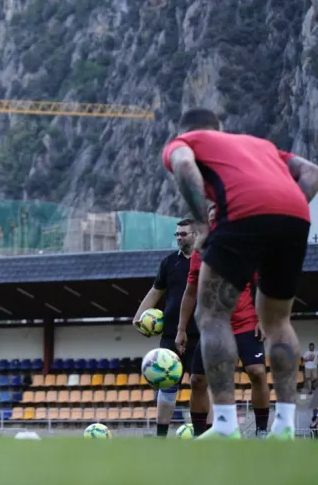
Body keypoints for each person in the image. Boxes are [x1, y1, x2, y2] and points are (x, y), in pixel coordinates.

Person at [162, 108, 318, 439]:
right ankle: (285, 425)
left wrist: (203, 222)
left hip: (242, 214)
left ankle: (224, 425)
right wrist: (285, 211)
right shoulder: (260, 144)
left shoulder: (185, 141)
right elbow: (312, 172)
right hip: (294, 215)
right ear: (221, 128)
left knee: (212, 315)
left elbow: (185, 166)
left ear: (186, 130)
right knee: (278, 321)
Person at [178, 247, 271, 437]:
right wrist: (180, 329)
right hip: (213, 327)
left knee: (257, 372)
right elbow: (190, 292)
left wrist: (262, 318)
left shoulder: (243, 246)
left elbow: (262, 284)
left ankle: (261, 431)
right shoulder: (199, 253)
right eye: (210, 216)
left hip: (244, 323)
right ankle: (199, 434)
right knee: (197, 381)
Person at [131, 219, 206, 437]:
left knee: (200, 385)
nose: (179, 238)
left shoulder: (206, 261)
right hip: (170, 334)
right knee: (167, 386)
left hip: (200, 334)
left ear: (195, 234)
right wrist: (139, 316)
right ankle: (161, 437)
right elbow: (156, 292)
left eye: (183, 234)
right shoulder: (168, 263)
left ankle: (204, 435)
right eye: (177, 235)